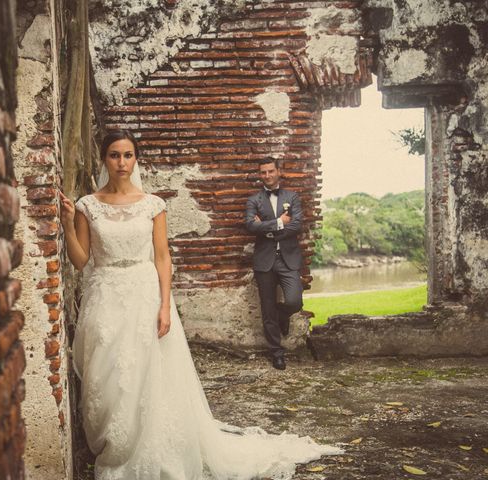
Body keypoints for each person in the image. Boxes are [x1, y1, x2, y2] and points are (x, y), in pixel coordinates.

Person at [60, 130, 340, 479]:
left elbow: (163, 259)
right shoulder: (88, 205)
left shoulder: (153, 204)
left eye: (128, 155)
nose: (122, 162)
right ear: (104, 158)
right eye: (115, 155)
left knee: (147, 374)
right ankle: (115, 446)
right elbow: (81, 261)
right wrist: (69, 226)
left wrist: (164, 307)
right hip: (105, 295)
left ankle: (150, 448)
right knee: (109, 372)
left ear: (136, 159)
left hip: (145, 293)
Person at [245, 157, 304, 371]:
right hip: (264, 261)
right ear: (260, 175)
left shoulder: (292, 197)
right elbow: (250, 226)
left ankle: (283, 313)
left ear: (278, 171)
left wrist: (267, 229)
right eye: (263, 172)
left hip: (288, 259)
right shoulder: (254, 200)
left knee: (295, 300)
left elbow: (296, 225)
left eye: (271, 171)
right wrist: (279, 222)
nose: (267, 176)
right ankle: (277, 353)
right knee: (267, 309)